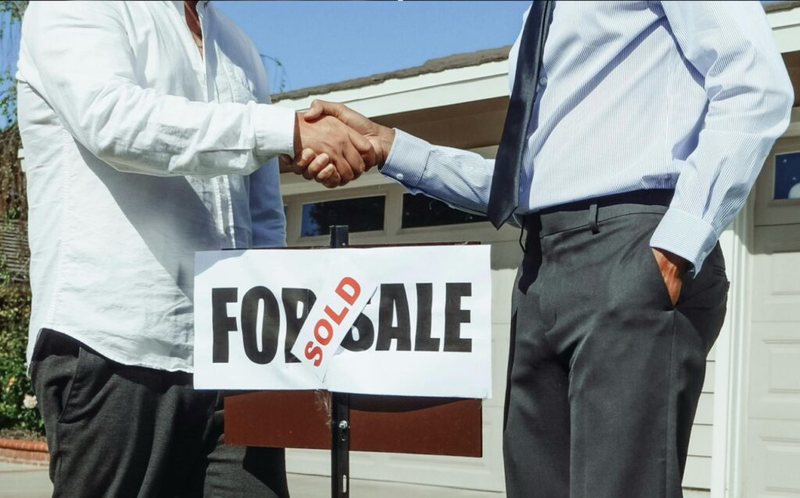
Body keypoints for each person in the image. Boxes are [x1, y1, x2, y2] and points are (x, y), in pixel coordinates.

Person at [290, 1, 794, 496]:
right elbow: (528, 187)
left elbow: (755, 84)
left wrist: (676, 248)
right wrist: (390, 147)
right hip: (541, 266)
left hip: (631, 255)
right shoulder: (538, 18)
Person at [17, 1, 373, 496]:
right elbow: (114, 123)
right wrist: (284, 130)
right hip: (115, 345)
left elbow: (262, 211)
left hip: (235, 355)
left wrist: (271, 336)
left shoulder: (238, 45)